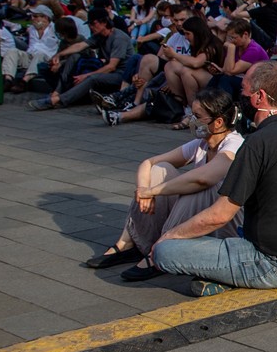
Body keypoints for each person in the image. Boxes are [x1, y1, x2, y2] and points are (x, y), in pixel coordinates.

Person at [151, 62, 277, 298]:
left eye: (243, 91)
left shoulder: (257, 143)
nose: (240, 98)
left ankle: (234, 276)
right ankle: (228, 275)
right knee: (234, 234)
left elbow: (219, 215)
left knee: (164, 252)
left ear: (259, 97)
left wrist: (169, 236)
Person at [83, 86, 246, 283]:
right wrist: (144, 190)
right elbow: (149, 163)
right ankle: (129, 243)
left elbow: (205, 178)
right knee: (160, 169)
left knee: (197, 186)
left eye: (197, 116)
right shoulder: (202, 144)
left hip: (227, 226)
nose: (191, 120)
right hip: (202, 218)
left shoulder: (234, 145)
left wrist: (153, 191)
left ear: (218, 122)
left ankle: (160, 251)